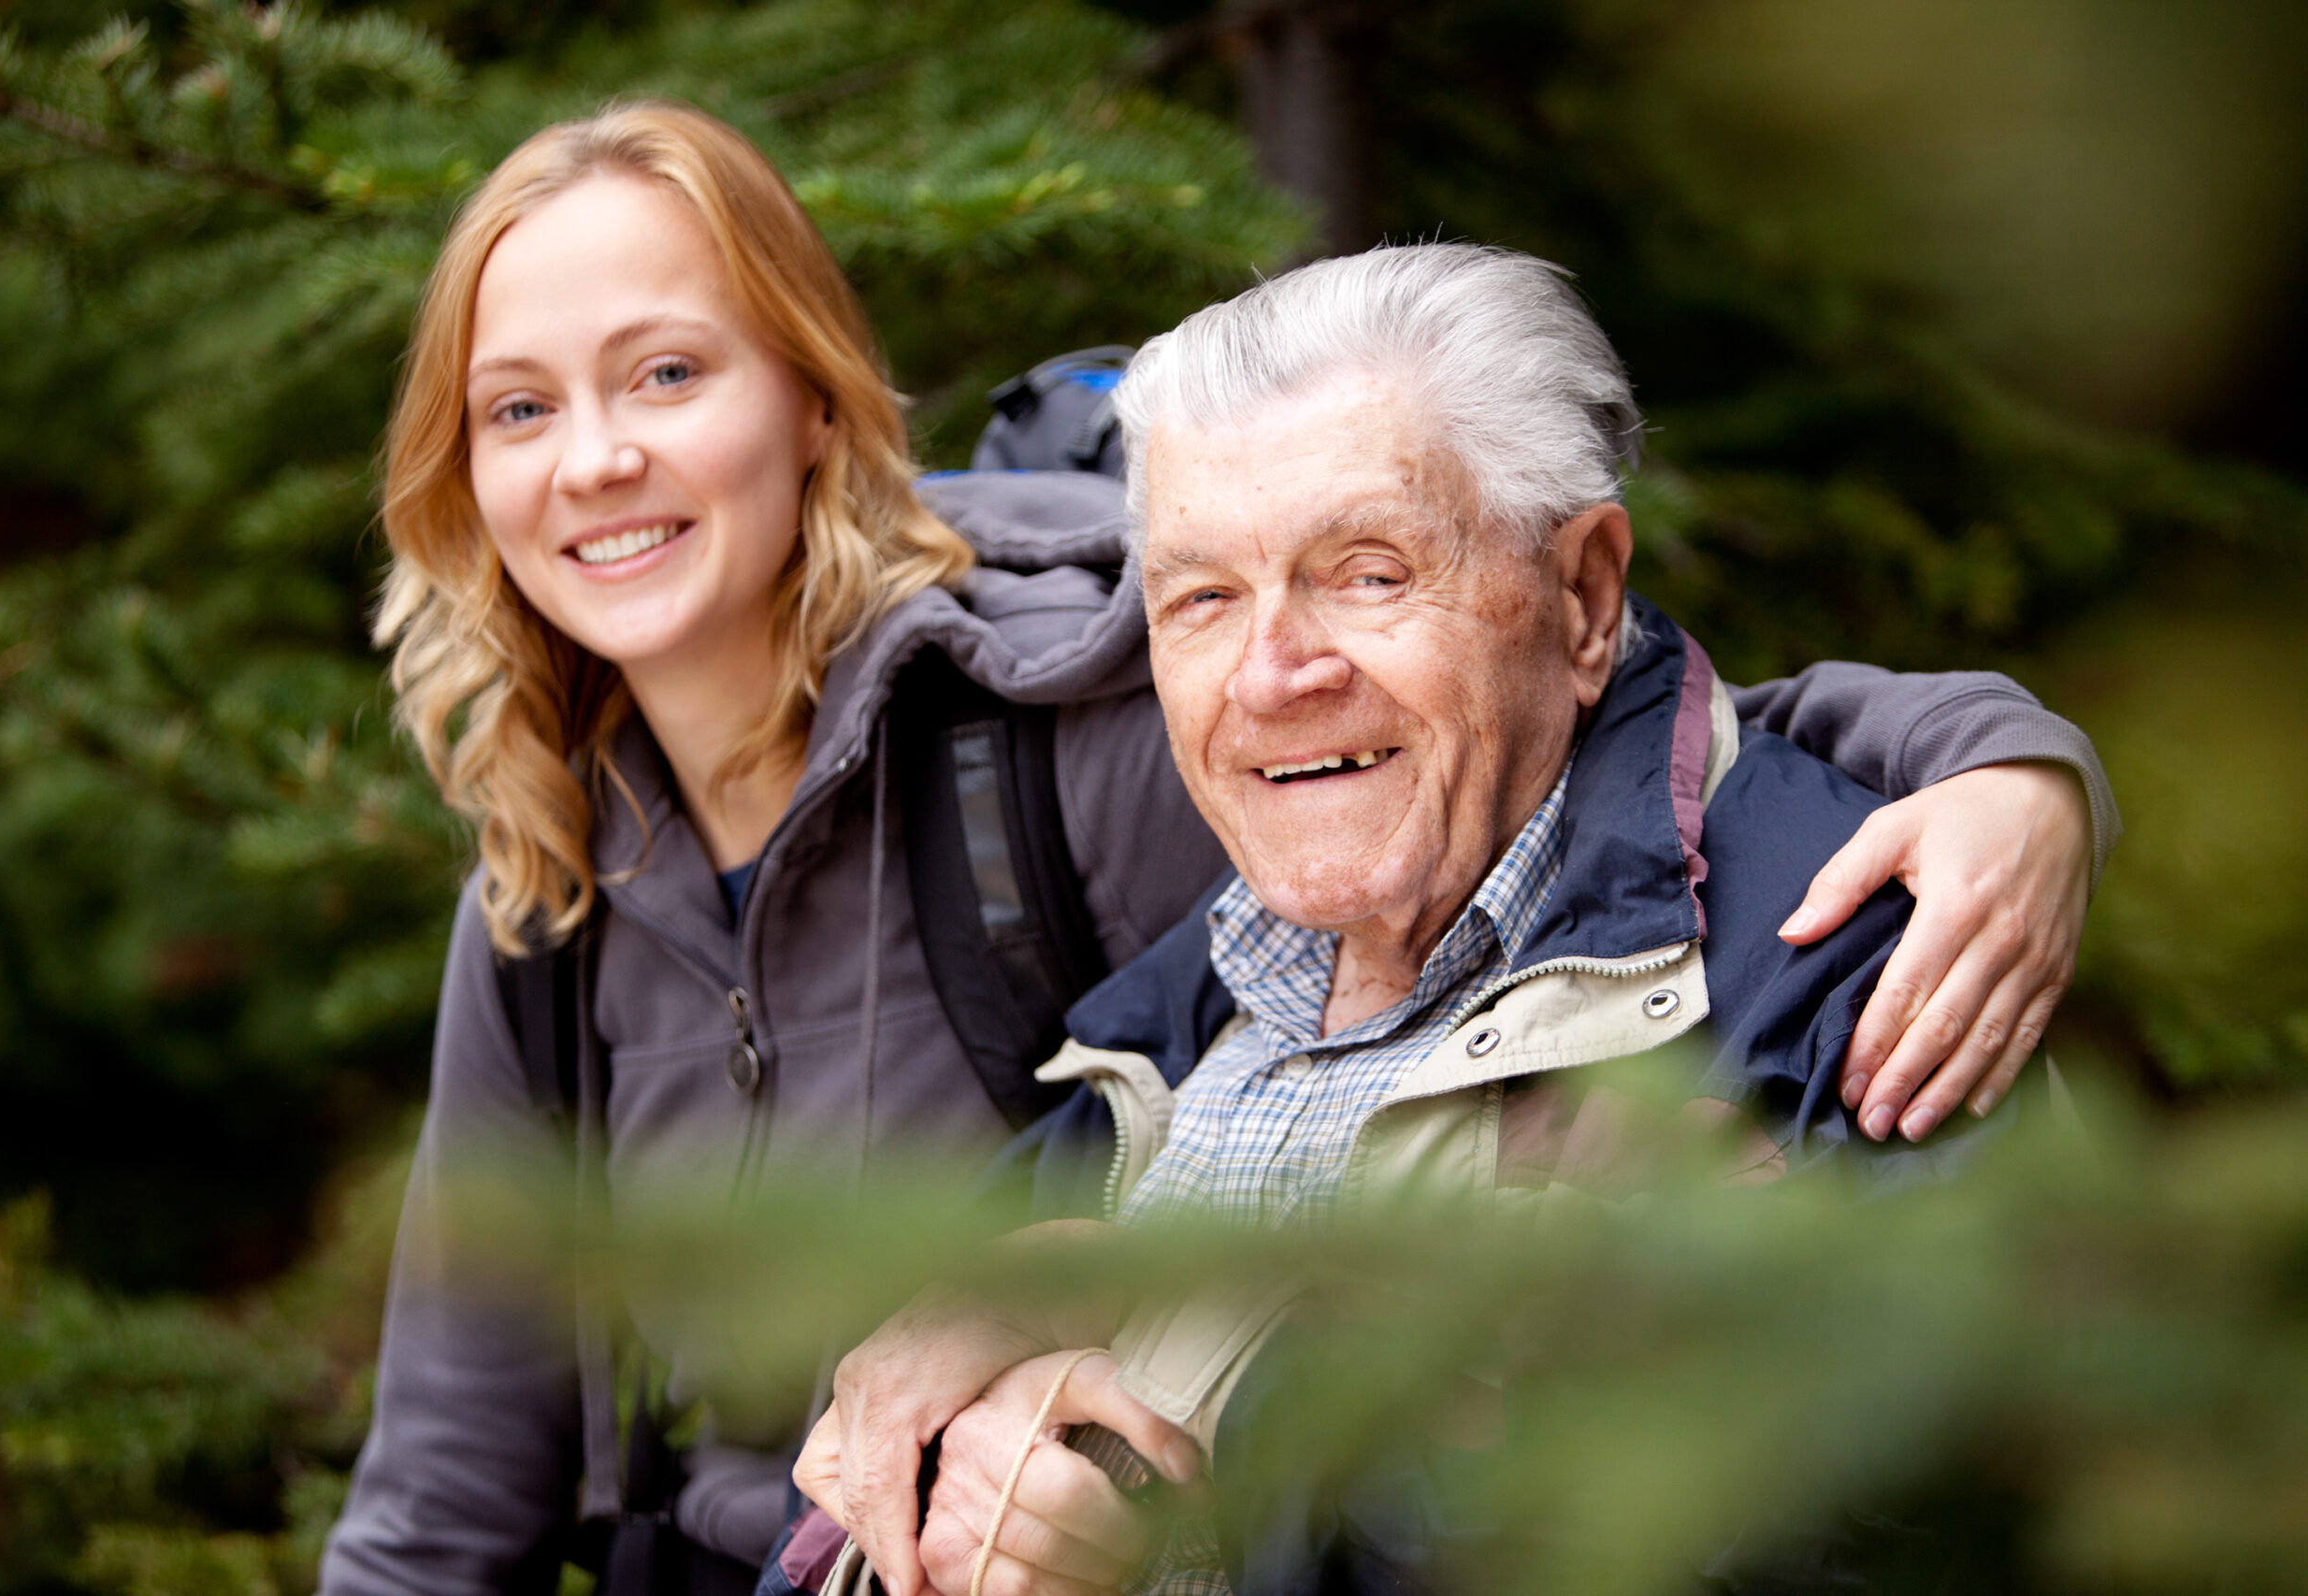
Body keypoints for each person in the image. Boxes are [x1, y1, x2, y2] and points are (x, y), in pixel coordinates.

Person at [320, 101, 2114, 1596]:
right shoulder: (579, 885)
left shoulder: (1061, 749)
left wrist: (2001, 767)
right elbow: (452, 1479)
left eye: (665, 371)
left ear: (811, 397)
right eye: (519, 408)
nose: (1275, 672)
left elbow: (1622, 758)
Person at [789, 243, 2103, 1596]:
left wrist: (1190, 1494)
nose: (1271, 675)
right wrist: (935, 1484)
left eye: (1366, 572)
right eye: (1201, 599)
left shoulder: (1862, 977)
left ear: (1584, 596)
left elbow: (1910, 1534)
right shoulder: (1171, 1015)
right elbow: (851, 1516)